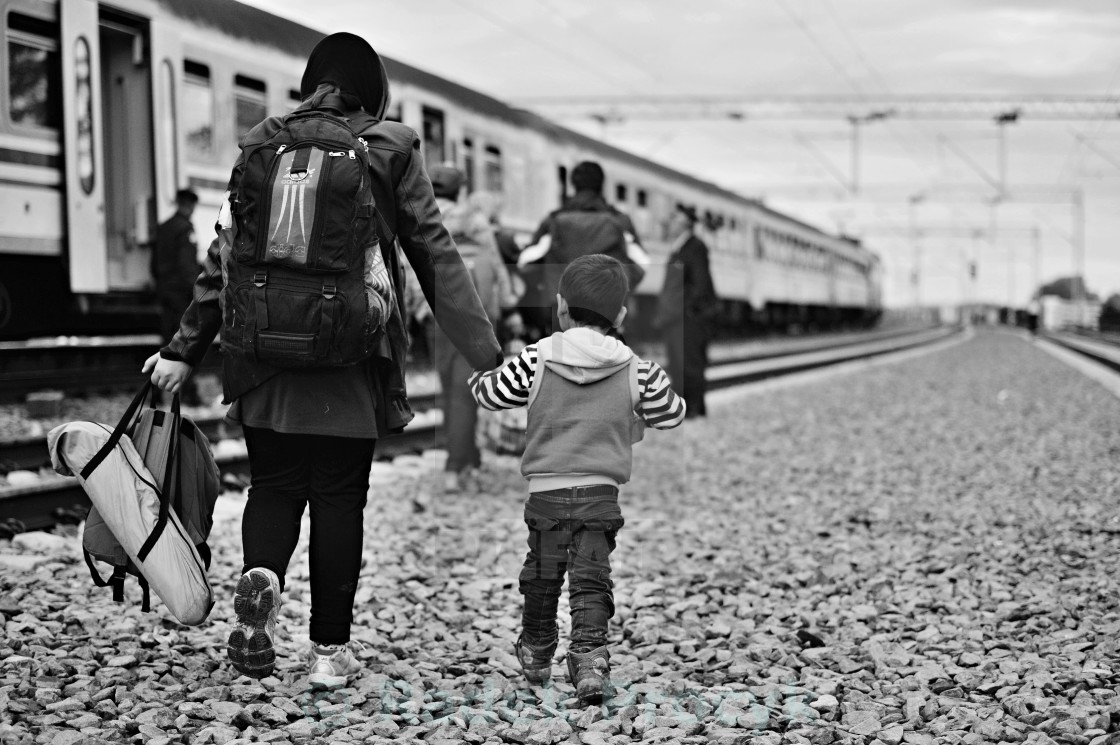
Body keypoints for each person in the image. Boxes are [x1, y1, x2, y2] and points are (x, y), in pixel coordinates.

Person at [142, 32, 501, 689]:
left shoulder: (260, 142)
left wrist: (181, 349)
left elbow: (222, 256)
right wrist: (485, 352)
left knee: (274, 486)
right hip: (349, 361)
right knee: (339, 498)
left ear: (311, 81)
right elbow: (434, 250)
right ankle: (330, 653)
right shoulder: (390, 147)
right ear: (374, 91)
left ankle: (261, 593)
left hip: (264, 359)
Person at [469, 254, 686, 704]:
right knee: (591, 579)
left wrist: (476, 378)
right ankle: (589, 660)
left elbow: (491, 395)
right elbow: (672, 414)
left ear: (560, 307)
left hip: (547, 496)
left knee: (543, 575)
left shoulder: (536, 358)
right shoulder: (636, 369)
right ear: (622, 315)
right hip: (598, 496)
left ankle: (536, 650)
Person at [429, 166, 512, 493]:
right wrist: (506, 305)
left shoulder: (421, 216)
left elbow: (408, 267)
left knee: (450, 392)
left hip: (434, 314)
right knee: (465, 393)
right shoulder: (474, 222)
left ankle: (468, 460)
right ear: (460, 191)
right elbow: (495, 266)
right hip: (472, 315)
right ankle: (454, 467)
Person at [517, 161, 649, 336]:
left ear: (573, 185)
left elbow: (526, 263)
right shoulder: (620, 221)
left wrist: (546, 285)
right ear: (601, 186)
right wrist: (620, 290)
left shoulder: (554, 221)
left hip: (563, 310)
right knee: (606, 358)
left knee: (561, 359)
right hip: (607, 309)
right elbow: (643, 264)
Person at [653, 204, 718, 418]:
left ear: (685, 223)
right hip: (675, 317)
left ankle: (694, 409)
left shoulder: (695, 247)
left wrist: (687, 310)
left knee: (689, 364)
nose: (669, 223)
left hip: (687, 318)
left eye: (674, 218)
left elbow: (701, 284)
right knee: (678, 365)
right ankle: (685, 408)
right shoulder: (680, 248)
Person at [151, 188, 202, 406]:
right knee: (186, 342)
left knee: (166, 342)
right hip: (181, 294)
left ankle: (155, 392)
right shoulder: (185, 228)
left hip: (165, 292)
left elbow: (153, 265)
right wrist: (197, 291)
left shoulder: (163, 227)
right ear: (189, 205)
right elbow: (187, 265)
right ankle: (188, 393)